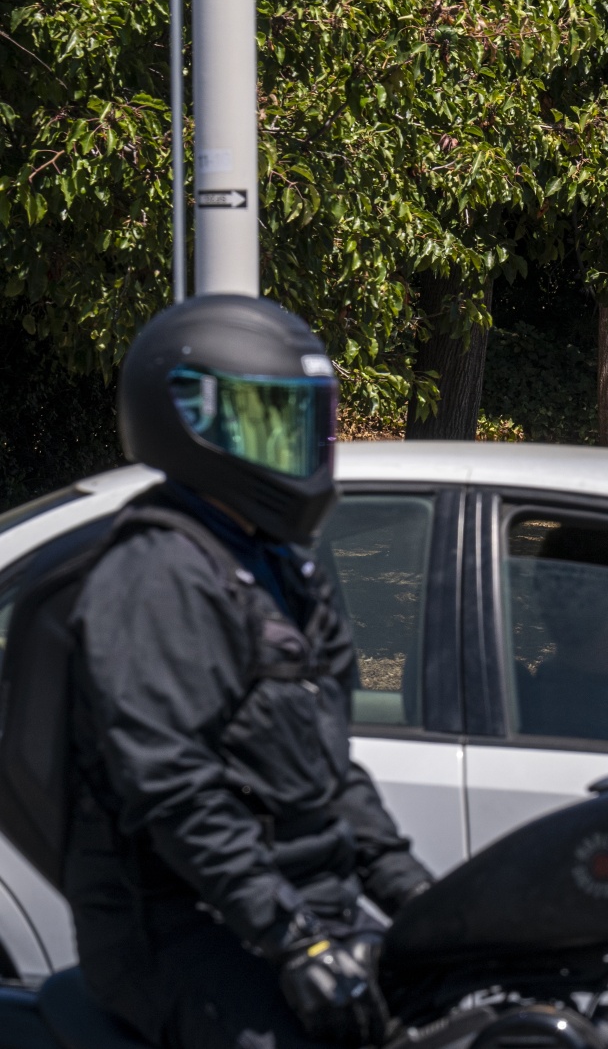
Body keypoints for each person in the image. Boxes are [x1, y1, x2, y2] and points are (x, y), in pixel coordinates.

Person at [64, 296, 433, 1049]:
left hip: (303, 908)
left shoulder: (278, 567)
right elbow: (175, 790)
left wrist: (422, 898)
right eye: (274, 421)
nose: (300, 445)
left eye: (306, 422)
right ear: (196, 423)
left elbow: (329, 774)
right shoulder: (156, 572)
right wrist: (291, 937)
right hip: (189, 930)